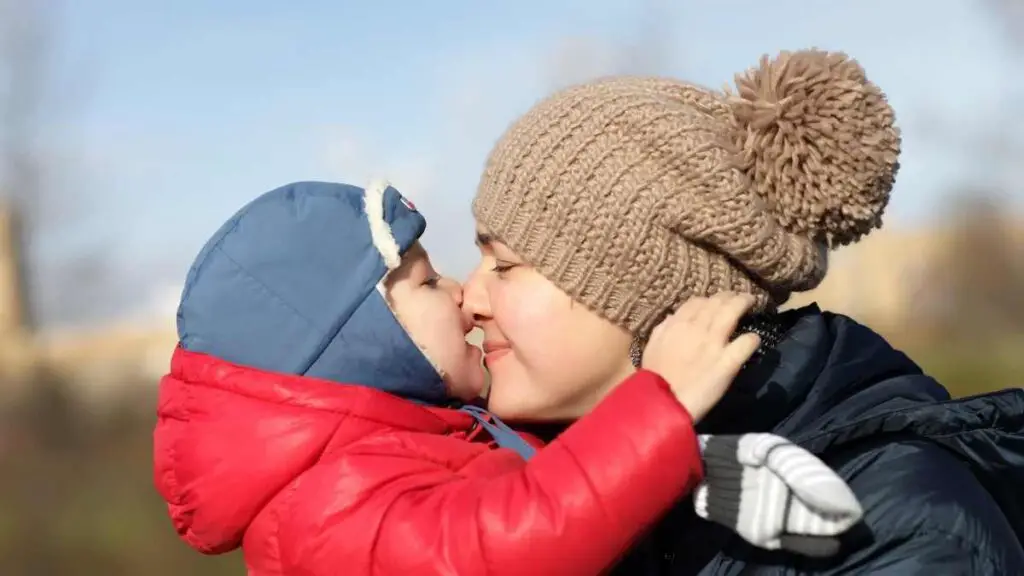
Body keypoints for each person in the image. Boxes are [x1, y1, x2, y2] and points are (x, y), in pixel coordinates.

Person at [464, 48, 1024, 574]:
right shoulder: (529, 494)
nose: (470, 299)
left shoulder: (896, 523)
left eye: (505, 266)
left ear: (650, 291)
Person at [152, 179, 859, 576]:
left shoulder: (425, 444)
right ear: (360, 335)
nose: (462, 291)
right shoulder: (326, 512)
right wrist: (658, 406)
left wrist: (701, 474)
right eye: (426, 282)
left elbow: (538, 490)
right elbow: (504, 546)